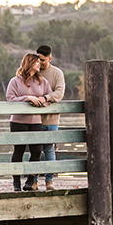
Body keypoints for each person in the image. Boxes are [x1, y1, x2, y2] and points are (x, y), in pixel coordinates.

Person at [6, 53, 52, 191]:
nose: (39, 64)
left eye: (40, 62)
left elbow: (48, 99)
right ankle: (16, 182)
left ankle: (30, 181)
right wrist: (28, 98)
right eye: (37, 62)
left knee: (37, 151)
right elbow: (10, 98)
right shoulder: (15, 81)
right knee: (18, 151)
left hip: (36, 121)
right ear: (29, 63)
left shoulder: (42, 82)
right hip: (18, 121)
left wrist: (42, 101)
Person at [35, 45, 66, 191]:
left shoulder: (57, 73)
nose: (39, 63)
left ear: (50, 58)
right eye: (38, 59)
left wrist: (45, 98)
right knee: (35, 150)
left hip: (51, 119)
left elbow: (59, 93)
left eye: (42, 60)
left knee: (49, 149)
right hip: (34, 119)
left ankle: (49, 181)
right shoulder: (33, 71)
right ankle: (33, 180)